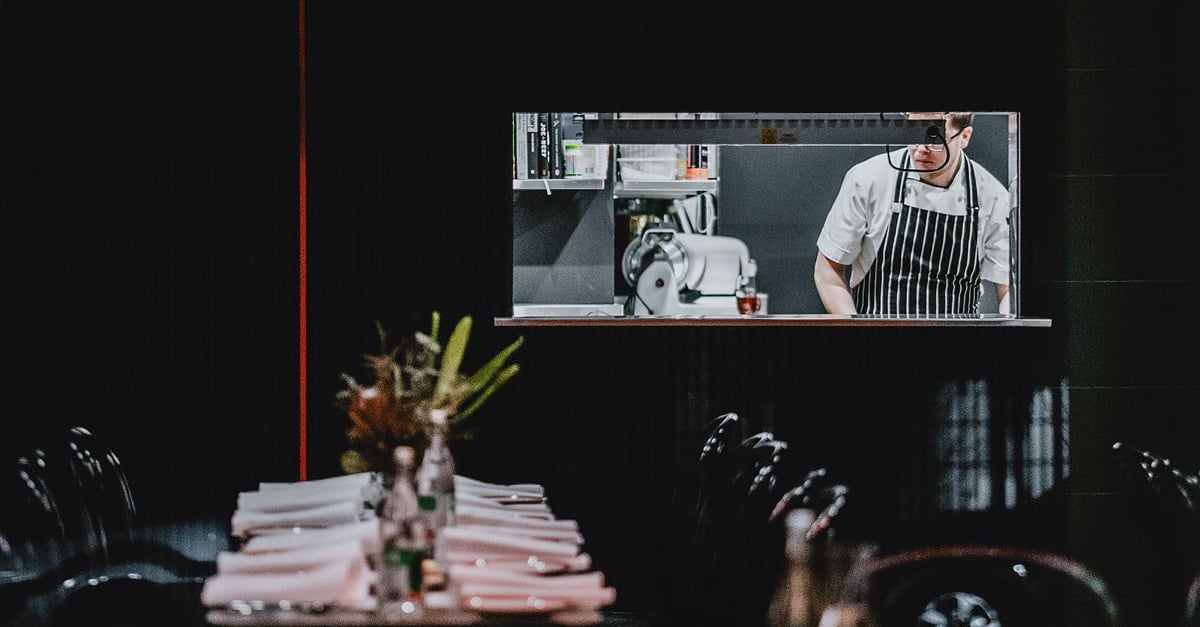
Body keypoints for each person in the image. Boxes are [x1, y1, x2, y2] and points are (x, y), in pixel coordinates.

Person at [813, 112, 1011, 316]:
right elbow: (828, 272)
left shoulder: (993, 198)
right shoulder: (868, 179)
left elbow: (1009, 290)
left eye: (934, 139)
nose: (920, 150)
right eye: (912, 134)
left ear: (964, 136)